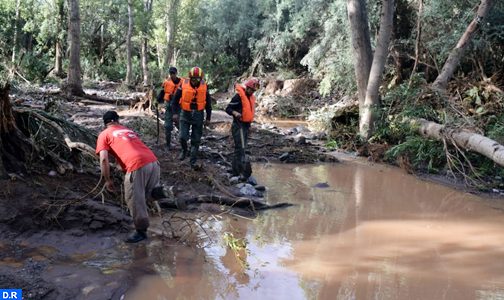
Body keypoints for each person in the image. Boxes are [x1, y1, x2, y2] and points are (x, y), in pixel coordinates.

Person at [95, 111, 160, 243]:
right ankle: (169, 197)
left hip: (137, 165)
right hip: (153, 162)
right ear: (118, 121)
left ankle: (141, 232)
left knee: (134, 199)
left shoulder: (104, 134)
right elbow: (128, 148)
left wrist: (107, 180)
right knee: (150, 194)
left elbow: (103, 160)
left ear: (105, 123)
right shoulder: (127, 130)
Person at [172, 66, 212, 168]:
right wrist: (175, 113)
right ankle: (184, 150)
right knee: (182, 137)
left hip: (198, 114)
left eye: (197, 79)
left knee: (196, 139)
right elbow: (175, 100)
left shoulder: (204, 86)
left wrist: (208, 118)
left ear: (200, 78)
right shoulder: (183, 84)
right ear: (190, 78)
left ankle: (193, 160)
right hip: (185, 113)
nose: (195, 81)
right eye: (193, 79)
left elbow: (208, 104)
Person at [225, 78, 260, 178]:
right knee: (240, 147)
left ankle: (238, 169)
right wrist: (235, 113)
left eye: (254, 91)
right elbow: (228, 109)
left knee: (242, 147)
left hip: (245, 126)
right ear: (247, 87)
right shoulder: (238, 97)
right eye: (251, 90)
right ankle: (236, 171)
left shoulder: (250, 97)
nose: (252, 92)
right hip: (238, 125)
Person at [157, 67, 183, 150]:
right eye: (171, 73)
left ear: (176, 73)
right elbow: (162, 92)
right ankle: (168, 144)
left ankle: (184, 145)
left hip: (178, 108)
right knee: (167, 126)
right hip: (169, 107)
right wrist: (158, 100)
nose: (172, 75)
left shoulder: (182, 82)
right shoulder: (166, 82)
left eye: (173, 73)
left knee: (181, 126)